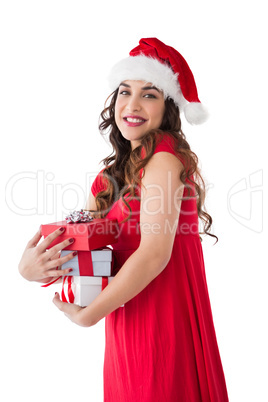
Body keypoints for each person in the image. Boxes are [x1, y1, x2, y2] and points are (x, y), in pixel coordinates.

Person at [19, 38, 229, 401]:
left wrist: (88, 316)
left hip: (164, 315)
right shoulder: (108, 179)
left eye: (149, 94)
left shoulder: (164, 158)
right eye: (124, 92)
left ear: (169, 108)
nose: (131, 105)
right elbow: (84, 247)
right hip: (124, 310)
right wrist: (32, 268)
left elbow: (152, 255)